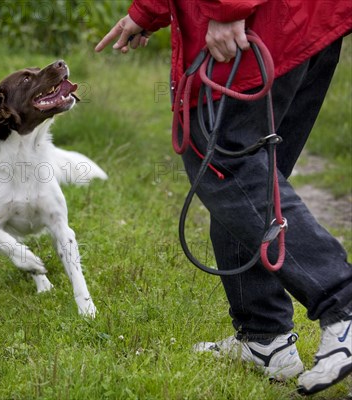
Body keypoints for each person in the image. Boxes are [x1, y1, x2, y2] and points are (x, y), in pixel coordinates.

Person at [95, 0, 352, 395]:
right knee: (251, 177)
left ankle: (342, 304)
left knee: (226, 163)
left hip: (258, 23)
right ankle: (264, 338)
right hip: (302, 19)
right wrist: (148, 10)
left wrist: (228, 8)